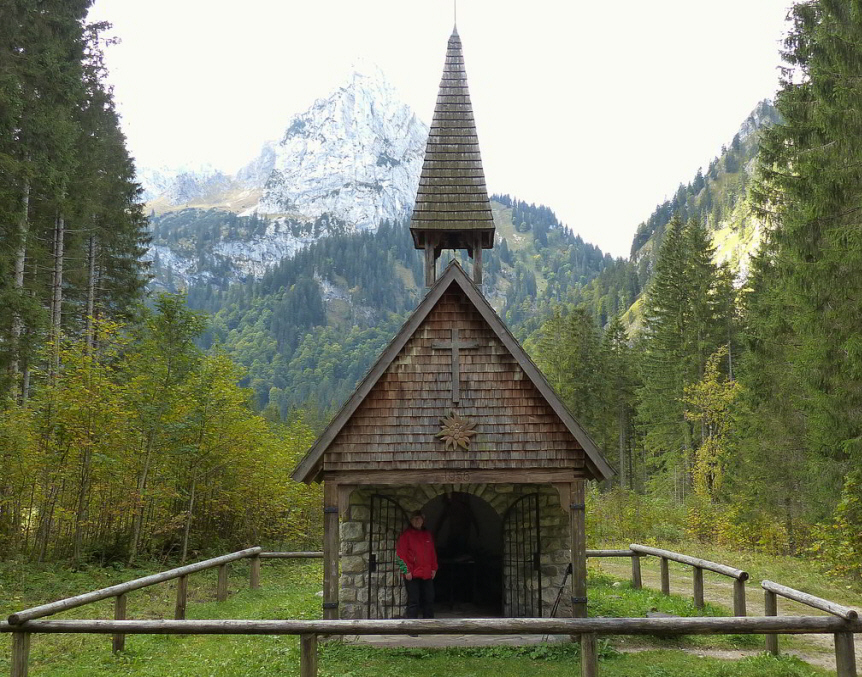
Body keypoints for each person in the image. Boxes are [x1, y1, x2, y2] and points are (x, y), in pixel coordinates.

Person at [396, 510, 438, 619]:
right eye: (414, 519)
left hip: (426, 572)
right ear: (411, 520)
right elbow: (400, 556)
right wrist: (406, 571)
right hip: (412, 574)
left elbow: (432, 553)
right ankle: (412, 627)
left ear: (423, 520)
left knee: (429, 599)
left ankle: (428, 625)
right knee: (413, 601)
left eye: (419, 518)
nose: (417, 521)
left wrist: (434, 568)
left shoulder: (427, 535)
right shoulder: (406, 535)